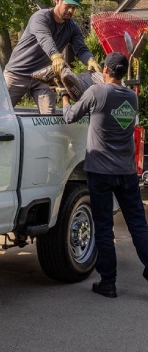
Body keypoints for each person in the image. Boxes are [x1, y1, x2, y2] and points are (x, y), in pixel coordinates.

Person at [62, 52, 148, 298]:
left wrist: (65, 95)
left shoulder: (97, 93)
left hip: (100, 171)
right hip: (127, 172)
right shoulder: (131, 97)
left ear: (106, 70)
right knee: (139, 226)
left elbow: (69, 116)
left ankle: (108, 283)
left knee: (103, 226)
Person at [5, 0, 101, 114]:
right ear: (57, 1)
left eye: (74, 7)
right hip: (17, 73)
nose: (70, 10)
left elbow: (81, 48)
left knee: (48, 116)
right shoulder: (40, 17)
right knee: (1, 111)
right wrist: (56, 57)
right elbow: (45, 38)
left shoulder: (73, 27)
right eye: (68, 6)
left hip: (43, 77)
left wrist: (90, 60)